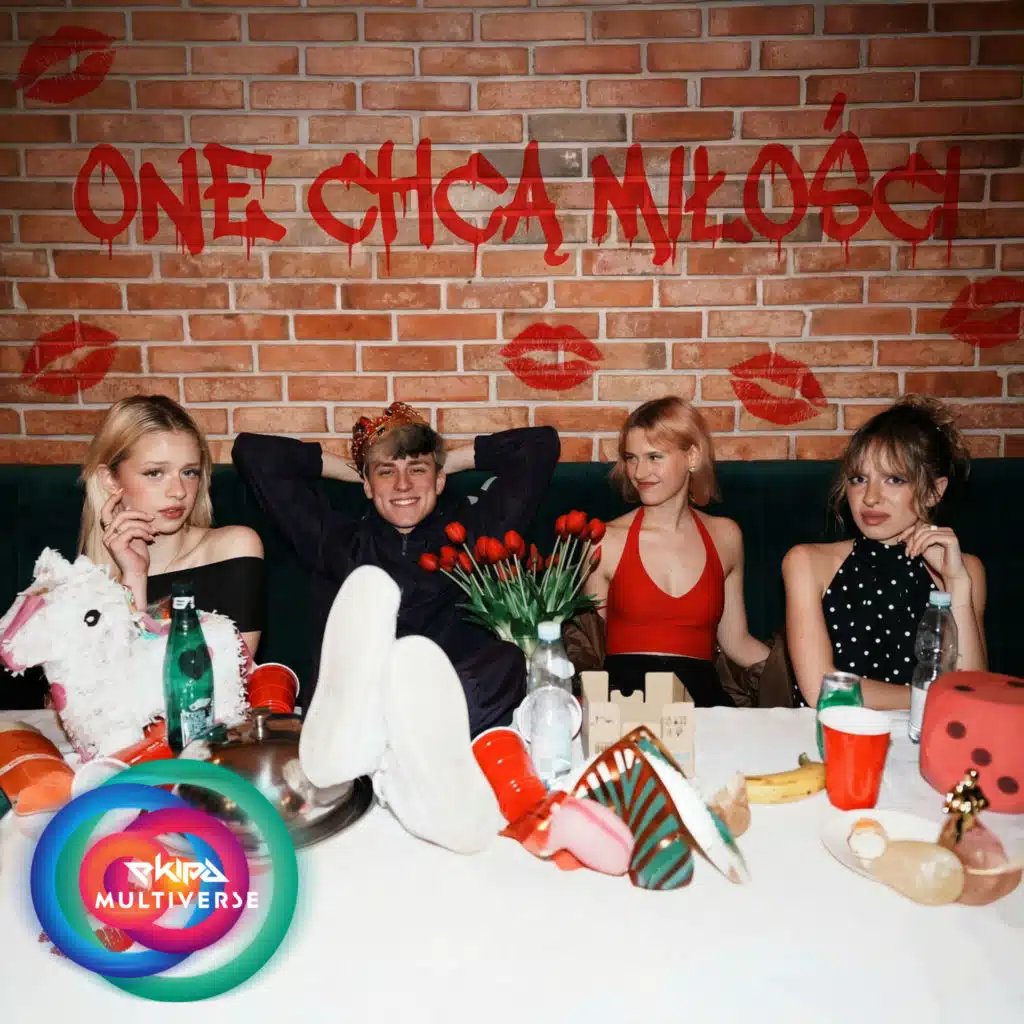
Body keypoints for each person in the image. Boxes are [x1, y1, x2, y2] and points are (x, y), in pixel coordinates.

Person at [232, 402, 559, 734]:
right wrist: (362, 468)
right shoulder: (336, 539)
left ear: (440, 480)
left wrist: (443, 460)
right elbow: (254, 454)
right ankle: (394, 737)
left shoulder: (475, 531)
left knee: (508, 661)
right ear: (367, 485)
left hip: (446, 698)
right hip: (362, 705)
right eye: (386, 472)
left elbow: (539, 445)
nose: (403, 485)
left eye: (417, 470)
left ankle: (401, 736)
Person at [783, 395, 987, 710]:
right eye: (859, 479)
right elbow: (820, 691)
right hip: (834, 734)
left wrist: (956, 583)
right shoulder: (807, 563)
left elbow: (974, 694)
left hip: (928, 735)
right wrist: (938, 696)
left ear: (934, 492)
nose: (870, 497)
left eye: (894, 479)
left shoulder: (966, 570)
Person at [584, 396, 769, 707]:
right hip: (628, 701)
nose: (639, 472)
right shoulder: (605, 540)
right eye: (631, 458)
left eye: (654, 457)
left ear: (692, 457)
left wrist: (809, 678)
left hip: (703, 701)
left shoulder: (725, 536)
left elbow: (737, 643)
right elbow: (590, 647)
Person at [79, 395, 264, 656]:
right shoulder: (84, 583)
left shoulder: (233, 547)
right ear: (109, 479)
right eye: (155, 473)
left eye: (189, 472)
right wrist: (134, 577)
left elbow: (231, 671)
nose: (179, 491)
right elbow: (109, 676)